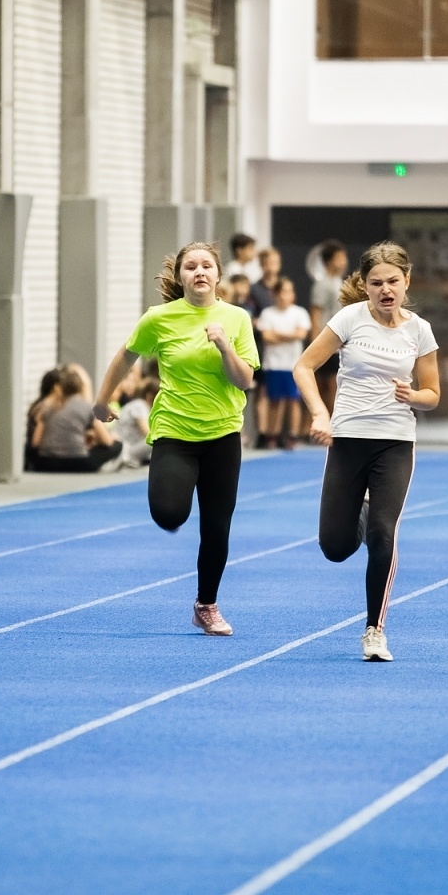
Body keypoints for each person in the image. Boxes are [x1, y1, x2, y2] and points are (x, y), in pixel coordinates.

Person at [93, 242, 259, 635]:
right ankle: (173, 503)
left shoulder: (236, 319)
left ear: (218, 276)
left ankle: (207, 604)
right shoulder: (159, 318)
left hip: (222, 434)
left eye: (206, 266)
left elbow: (245, 380)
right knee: (169, 513)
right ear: (180, 276)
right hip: (175, 431)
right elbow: (125, 356)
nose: (199, 272)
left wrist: (223, 346)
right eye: (190, 267)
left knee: (216, 528)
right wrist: (102, 401)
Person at [294, 242, 440, 662]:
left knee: (383, 534)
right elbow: (303, 367)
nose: (385, 289)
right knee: (335, 546)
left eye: (393, 281)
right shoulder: (349, 319)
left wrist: (414, 394)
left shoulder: (419, 330)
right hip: (347, 440)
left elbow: (432, 394)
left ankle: (375, 630)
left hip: (395, 443)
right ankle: (360, 508)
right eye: (376, 283)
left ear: (406, 281)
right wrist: (320, 414)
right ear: (364, 285)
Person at [33, 366, 123, 472]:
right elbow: (107, 441)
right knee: (117, 445)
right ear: (80, 387)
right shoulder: (86, 406)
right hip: (77, 462)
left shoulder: (47, 407)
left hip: (47, 462)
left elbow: (36, 442)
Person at [256, 277, 312, 449]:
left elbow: (301, 334)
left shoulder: (300, 313)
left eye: (289, 291)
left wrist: (278, 335)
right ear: (276, 294)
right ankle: (272, 435)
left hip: (293, 365)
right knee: (274, 400)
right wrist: (289, 335)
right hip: (273, 364)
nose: (286, 295)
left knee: (294, 400)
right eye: (283, 291)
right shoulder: (268, 314)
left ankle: (293, 436)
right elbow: (267, 337)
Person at [309, 240, 349, 413]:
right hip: (326, 341)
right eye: (339, 258)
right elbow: (315, 313)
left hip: (340, 341)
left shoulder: (340, 282)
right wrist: (315, 342)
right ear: (329, 261)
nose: (344, 261)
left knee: (336, 384)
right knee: (328, 385)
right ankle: (331, 424)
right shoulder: (323, 283)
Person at [114, 377, 158, 468]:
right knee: (156, 440)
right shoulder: (140, 405)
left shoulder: (146, 408)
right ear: (149, 395)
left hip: (131, 445)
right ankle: (126, 459)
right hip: (124, 448)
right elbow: (147, 433)